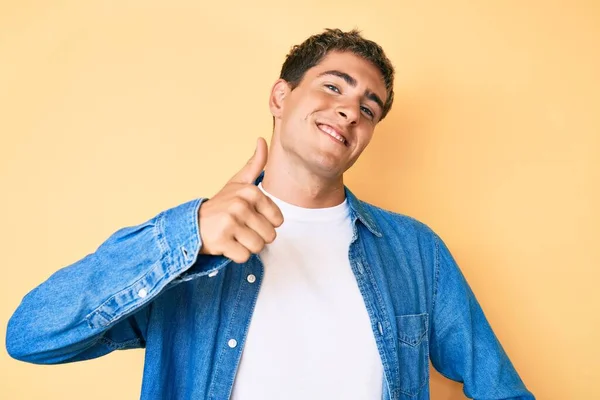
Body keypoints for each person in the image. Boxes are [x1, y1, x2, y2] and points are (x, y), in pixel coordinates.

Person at [6, 28, 534, 400]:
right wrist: (186, 239)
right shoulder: (189, 245)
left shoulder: (416, 251)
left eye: (369, 108)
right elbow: (32, 337)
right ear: (281, 96)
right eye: (333, 86)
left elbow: (501, 388)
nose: (351, 110)